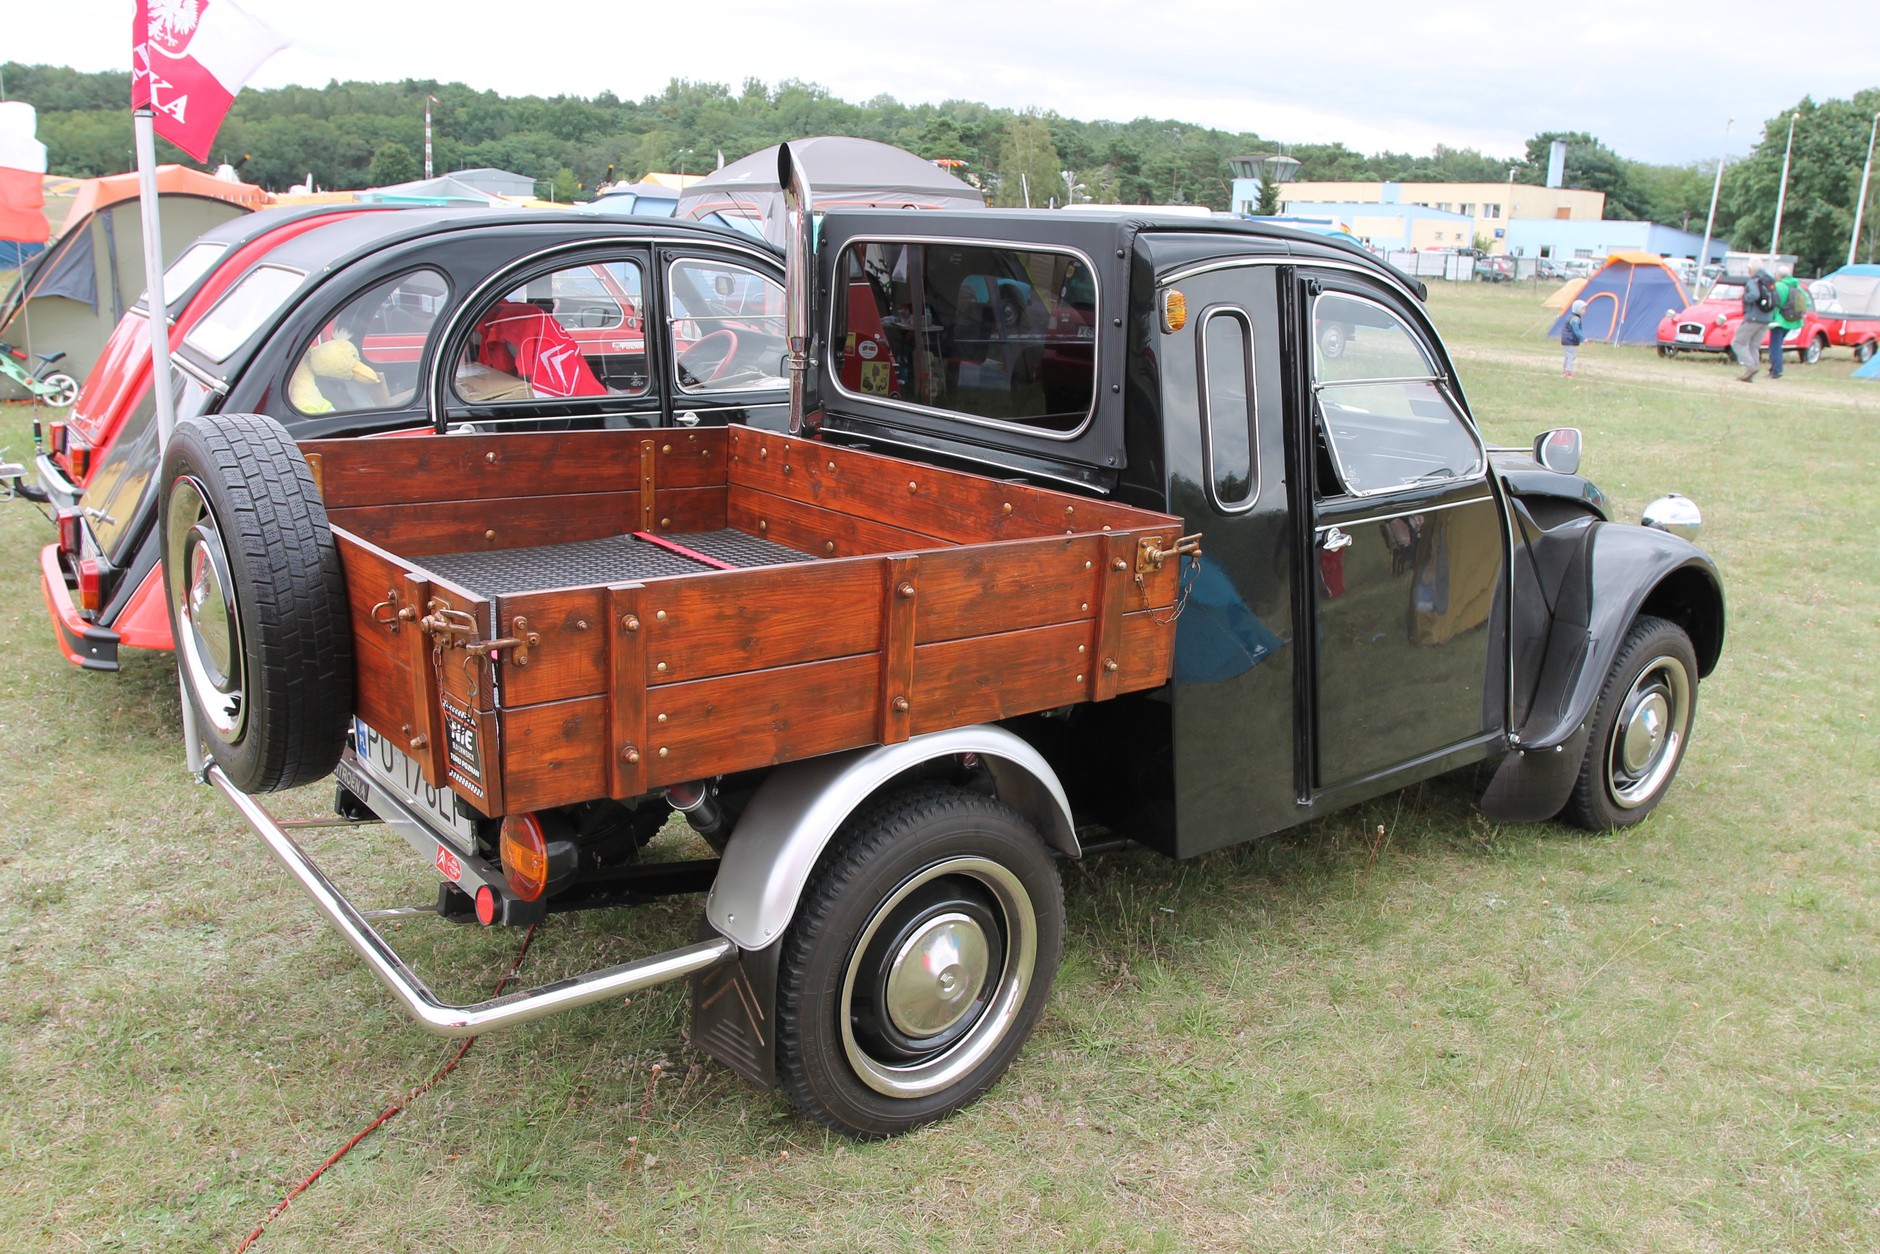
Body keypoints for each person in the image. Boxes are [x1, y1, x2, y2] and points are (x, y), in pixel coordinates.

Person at [1733, 267, 1776, 382]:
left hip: (1753, 317)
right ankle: (1751, 373)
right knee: (1754, 345)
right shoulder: (1769, 281)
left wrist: (1744, 297)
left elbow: (1754, 295)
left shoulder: (1753, 281)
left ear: (1751, 270)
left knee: (1738, 343)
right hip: (1766, 318)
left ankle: (1751, 366)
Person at [1768, 267, 1805, 379]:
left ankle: (1776, 371)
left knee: (1775, 346)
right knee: (1778, 344)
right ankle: (1775, 369)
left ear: (1778, 275)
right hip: (1793, 320)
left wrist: (1771, 318)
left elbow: (1774, 303)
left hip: (1779, 320)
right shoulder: (1797, 285)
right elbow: (1806, 302)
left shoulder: (1779, 286)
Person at [1560, 299, 1586, 376]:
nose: (1584, 311)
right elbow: (1576, 330)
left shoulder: (1571, 317)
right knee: (1571, 356)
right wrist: (1583, 339)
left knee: (1568, 356)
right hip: (1570, 340)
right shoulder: (1575, 319)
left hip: (1566, 340)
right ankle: (1568, 371)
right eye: (1583, 309)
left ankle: (1565, 370)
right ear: (1578, 309)